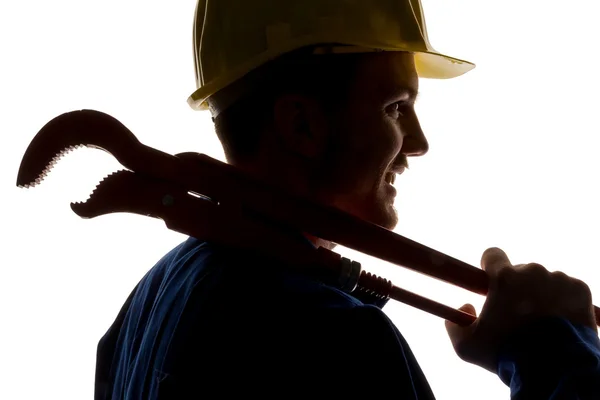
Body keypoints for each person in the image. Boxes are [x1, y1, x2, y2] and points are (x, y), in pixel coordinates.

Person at [94, 1, 600, 398]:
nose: (419, 142)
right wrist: (557, 362)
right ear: (301, 126)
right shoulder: (335, 339)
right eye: (395, 107)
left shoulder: (146, 305)